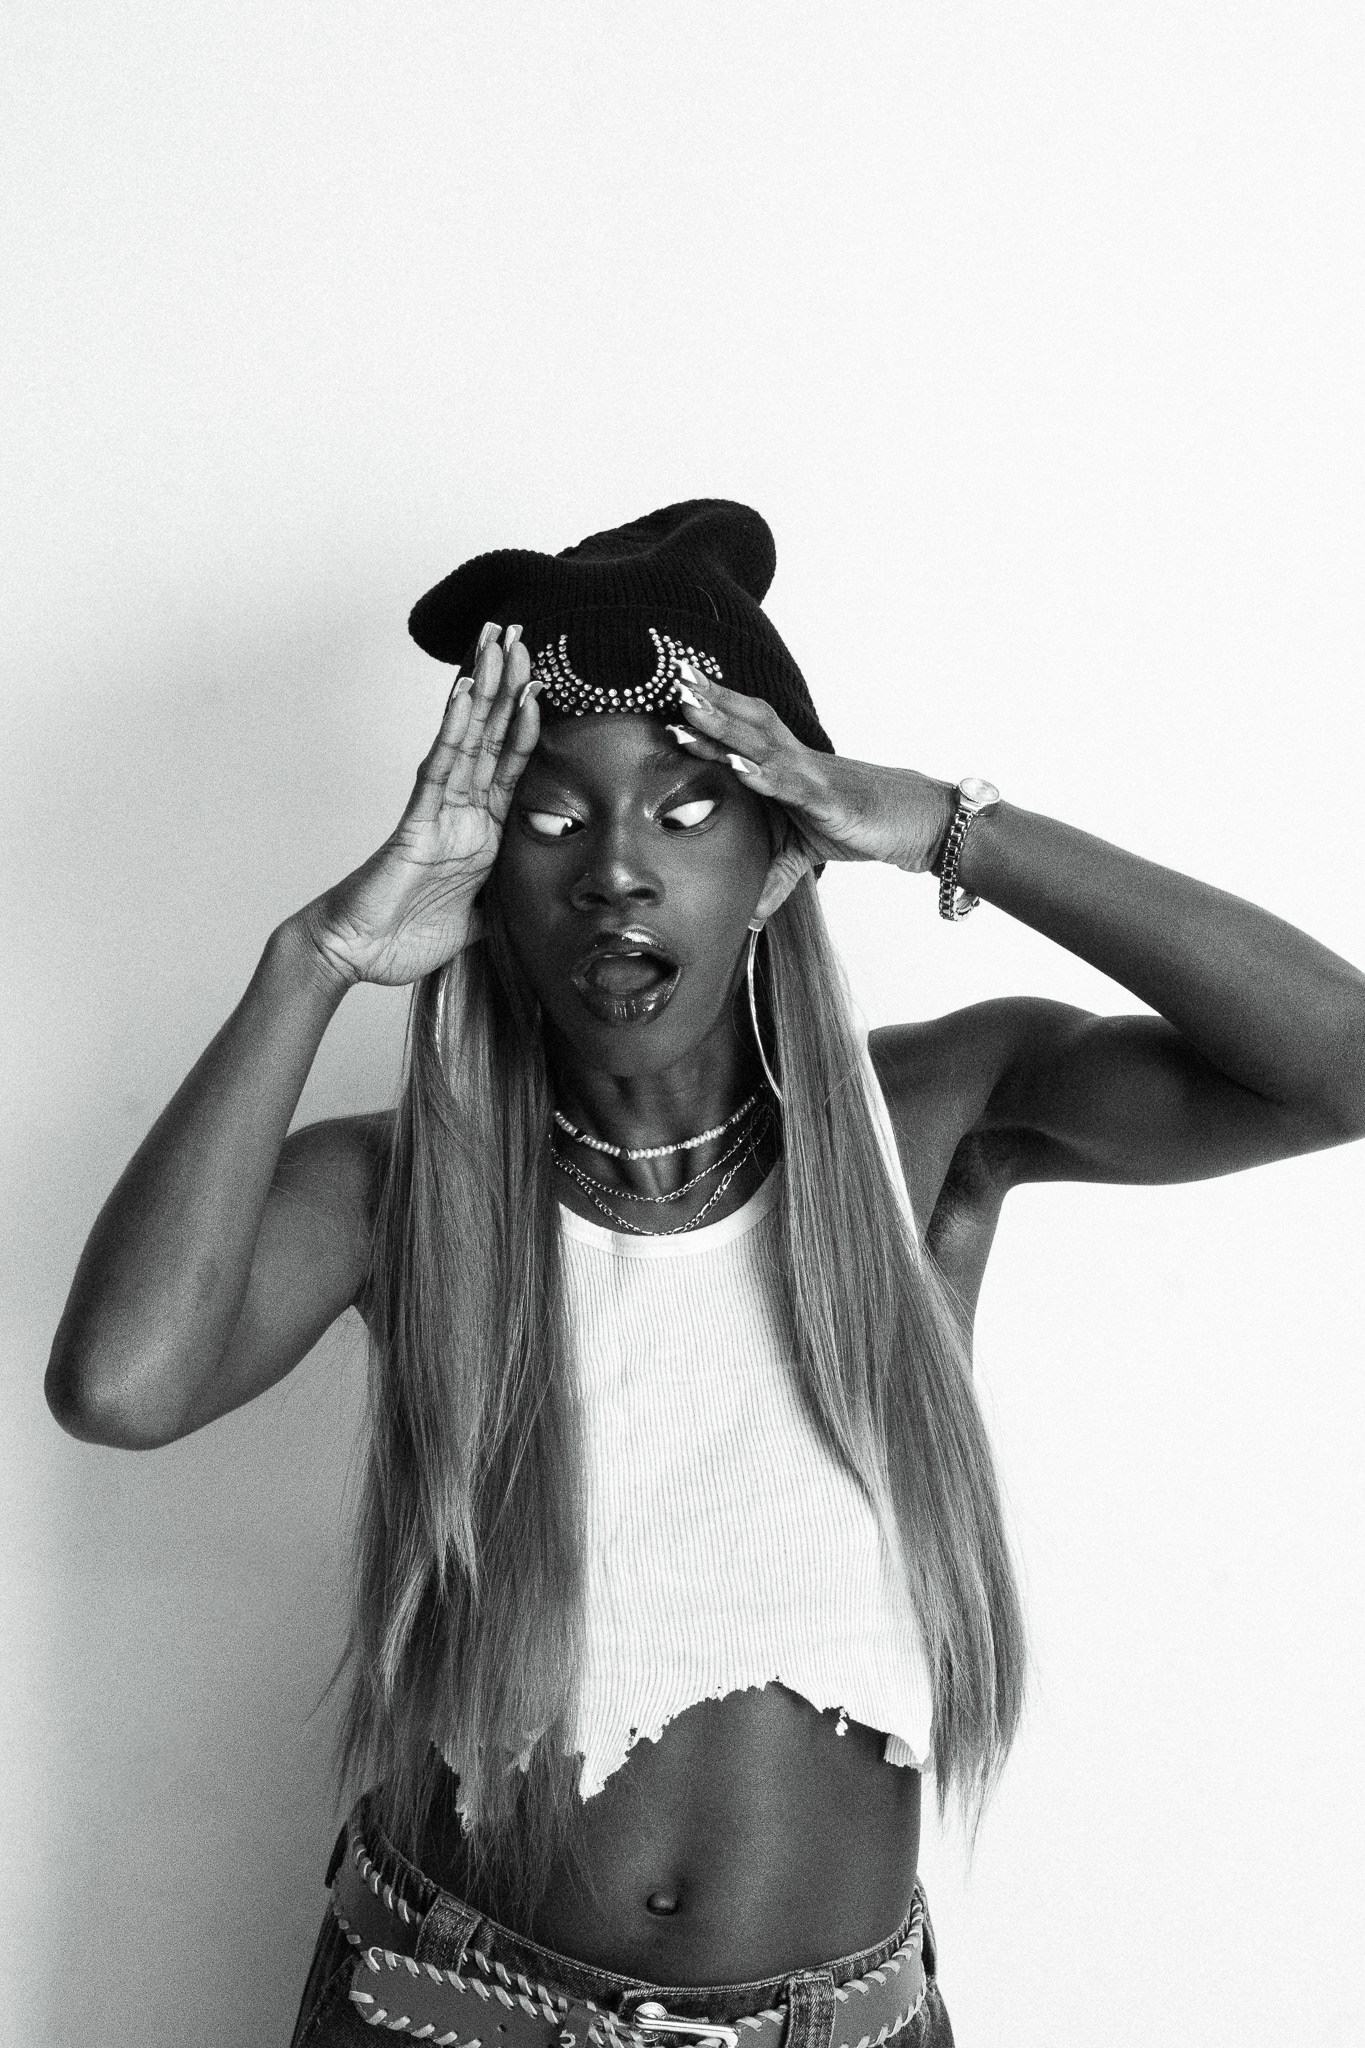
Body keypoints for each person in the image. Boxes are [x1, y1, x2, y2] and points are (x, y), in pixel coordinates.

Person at [46, 501, 1365, 2047]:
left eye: (685, 812)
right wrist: (317, 956)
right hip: (446, 2011)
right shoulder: (400, 1185)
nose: (616, 871)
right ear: (484, 880)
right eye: (551, 821)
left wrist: (948, 824)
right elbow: (122, 1388)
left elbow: (1335, 1067)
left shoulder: (929, 1117)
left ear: (781, 858)